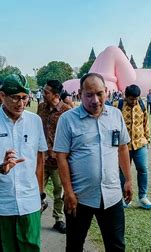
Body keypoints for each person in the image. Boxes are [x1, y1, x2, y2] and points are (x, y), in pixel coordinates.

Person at [54, 73, 133, 252]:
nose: (95, 100)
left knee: (116, 245)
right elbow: (61, 157)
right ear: (80, 93)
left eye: (99, 93)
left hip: (112, 196)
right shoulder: (68, 120)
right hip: (79, 197)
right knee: (74, 245)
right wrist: (68, 192)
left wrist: (128, 179)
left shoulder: (115, 115)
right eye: (89, 95)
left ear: (106, 91)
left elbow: (122, 148)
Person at [0, 74, 47, 251]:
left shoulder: (35, 121)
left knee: (31, 248)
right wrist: (0, 168)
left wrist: (40, 194)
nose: (21, 103)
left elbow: (39, 160)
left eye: (24, 98)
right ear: (2, 96)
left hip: (29, 203)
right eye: (15, 98)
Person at [37, 80, 72, 233]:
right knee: (35, 189)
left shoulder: (67, 111)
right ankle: (34, 215)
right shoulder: (41, 107)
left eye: (46, 92)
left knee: (59, 191)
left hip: (59, 161)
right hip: (42, 159)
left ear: (56, 95)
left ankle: (58, 219)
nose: (43, 94)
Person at [118, 84, 151, 210]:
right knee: (123, 172)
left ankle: (143, 197)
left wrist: (147, 139)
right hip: (123, 146)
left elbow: (146, 122)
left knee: (143, 169)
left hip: (140, 143)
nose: (134, 101)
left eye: (136, 98)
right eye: (131, 99)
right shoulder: (118, 105)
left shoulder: (142, 105)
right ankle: (124, 198)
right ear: (125, 96)